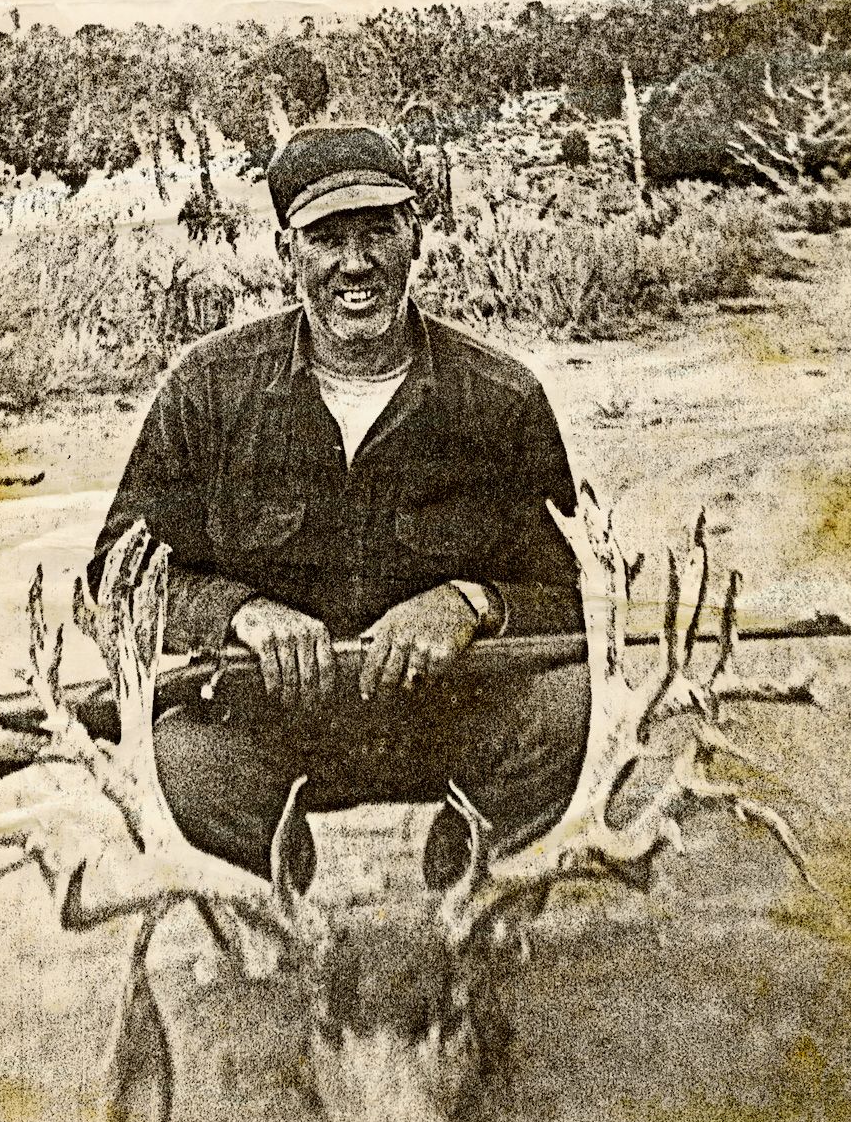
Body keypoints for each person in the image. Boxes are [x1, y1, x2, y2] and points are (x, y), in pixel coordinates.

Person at [90, 124, 590, 888]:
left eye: (378, 231)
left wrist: (470, 603)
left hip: (446, 719)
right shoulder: (208, 390)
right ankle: (275, 899)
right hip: (269, 727)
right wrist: (239, 613)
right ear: (286, 252)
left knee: (570, 704)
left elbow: (566, 603)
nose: (355, 265)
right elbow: (111, 584)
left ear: (416, 236)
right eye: (326, 238)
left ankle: (473, 874)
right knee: (179, 757)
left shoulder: (500, 398)